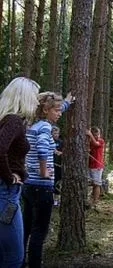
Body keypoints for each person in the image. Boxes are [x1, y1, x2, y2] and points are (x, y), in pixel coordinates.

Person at [22, 91, 73, 268]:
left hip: (28, 184)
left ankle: (20, 261)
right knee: (39, 231)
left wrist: (66, 102)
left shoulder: (33, 125)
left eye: (61, 110)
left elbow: (55, 108)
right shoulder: (45, 127)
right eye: (57, 110)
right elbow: (43, 148)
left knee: (26, 228)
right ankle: (35, 264)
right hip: (41, 186)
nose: (59, 113)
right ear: (46, 110)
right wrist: (45, 172)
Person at [0, 77, 40, 268]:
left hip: (5, 192)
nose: (37, 101)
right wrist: (9, 177)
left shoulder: (6, 119)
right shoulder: (14, 121)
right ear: (24, 97)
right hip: (6, 193)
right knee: (14, 257)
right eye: (34, 96)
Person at [86, 126, 105, 207]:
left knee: (96, 184)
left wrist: (90, 135)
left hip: (97, 166)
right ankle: (90, 199)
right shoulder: (89, 142)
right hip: (90, 165)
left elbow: (96, 144)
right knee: (90, 183)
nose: (97, 136)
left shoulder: (101, 141)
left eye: (98, 134)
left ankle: (96, 201)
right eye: (95, 135)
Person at [52, 126, 63, 206]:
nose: (56, 135)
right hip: (51, 164)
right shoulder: (48, 141)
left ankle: (57, 198)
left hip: (59, 165)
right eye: (54, 133)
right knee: (52, 181)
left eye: (57, 133)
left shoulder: (61, 142)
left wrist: (60, 153)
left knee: (58, 182)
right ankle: (51, 198)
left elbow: (63, 151)